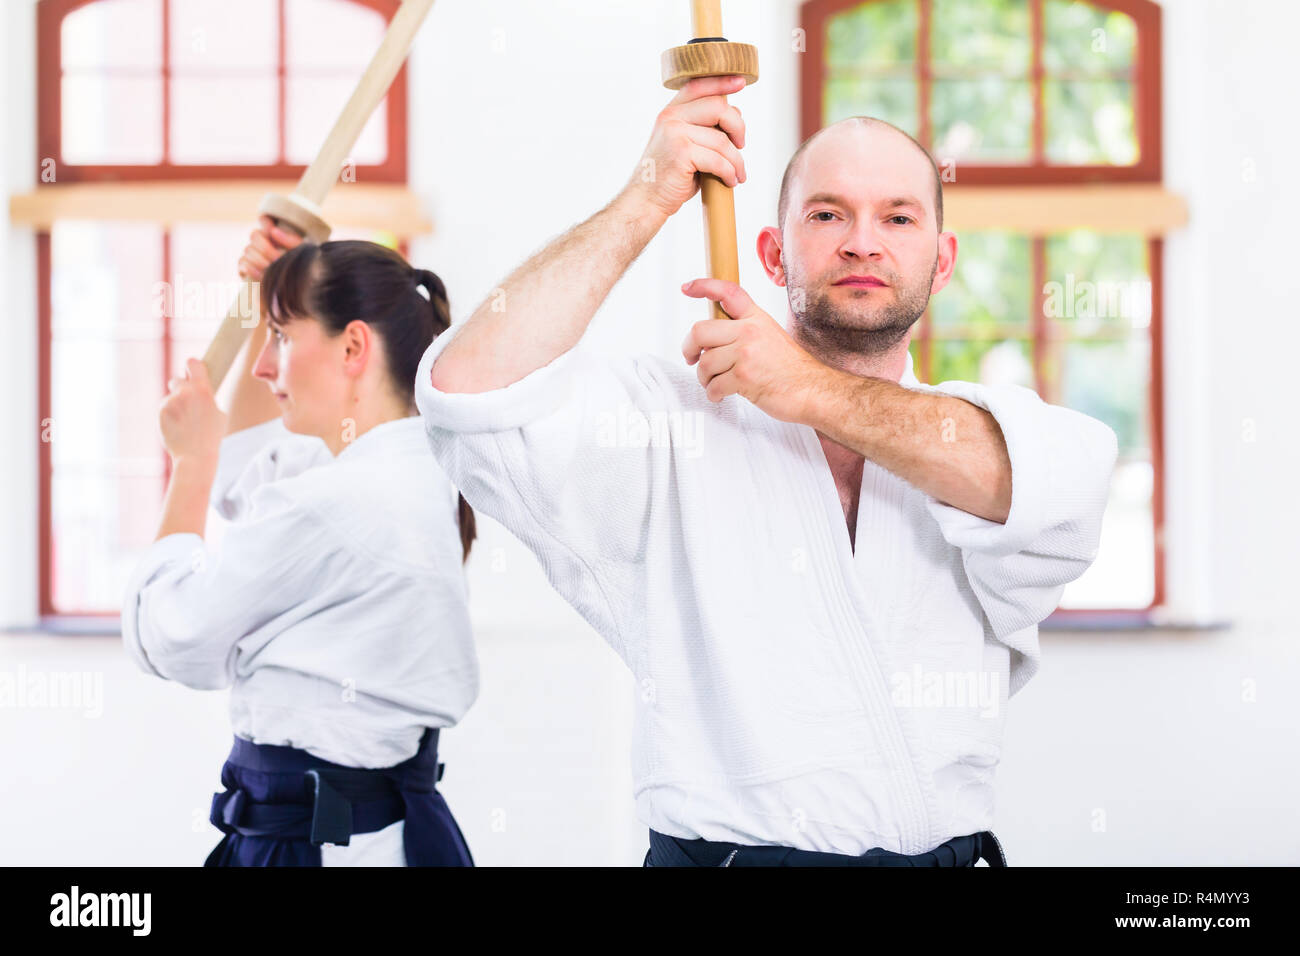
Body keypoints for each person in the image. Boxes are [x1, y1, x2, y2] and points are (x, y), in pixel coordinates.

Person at [414, 76, 1118, 866]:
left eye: (898, 216)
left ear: (942, 260)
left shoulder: (984, 431)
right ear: (773, 253)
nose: (862, 241)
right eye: (827, 214)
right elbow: (467, 393)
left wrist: (804, 389)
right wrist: (645, 198)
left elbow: (1050, 494)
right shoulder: (673, 423)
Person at [121, 218, 478, 866]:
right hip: (360, 831)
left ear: (352, 349)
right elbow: (250, 477)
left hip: (318, 841)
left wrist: (190, 466)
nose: (262, 365)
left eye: (282, 338)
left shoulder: (344, 501)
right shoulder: (404, 472)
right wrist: (273, 298)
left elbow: (174, 638)